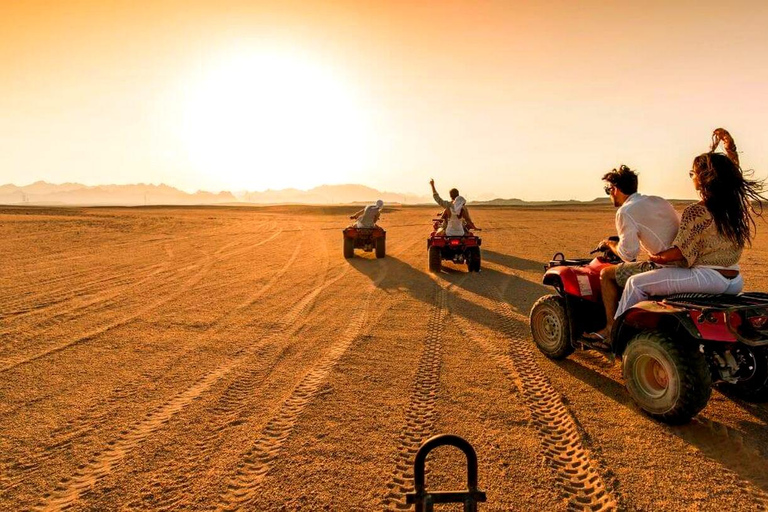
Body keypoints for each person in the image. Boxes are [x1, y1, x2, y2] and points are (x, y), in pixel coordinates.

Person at [615, 128, 765, 318]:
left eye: (692, 174)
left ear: (704, 177)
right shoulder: (734, 207)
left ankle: (616, 335)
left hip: (707, 279)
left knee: (635, 283)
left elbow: (678, 252)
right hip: (734, 281)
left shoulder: (696, 211)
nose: (692, 177)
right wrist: (731, 149)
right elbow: (731, 177)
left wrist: (656, 257)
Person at [587, 165, 680, 341]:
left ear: (614, 189)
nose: (609, 194)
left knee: (606, 274)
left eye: (608, 189)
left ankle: (609, 329)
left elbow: (628, 254)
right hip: (683, 260)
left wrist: (609, 244)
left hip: (665, 265)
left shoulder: (626, 211)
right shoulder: (659, 200)